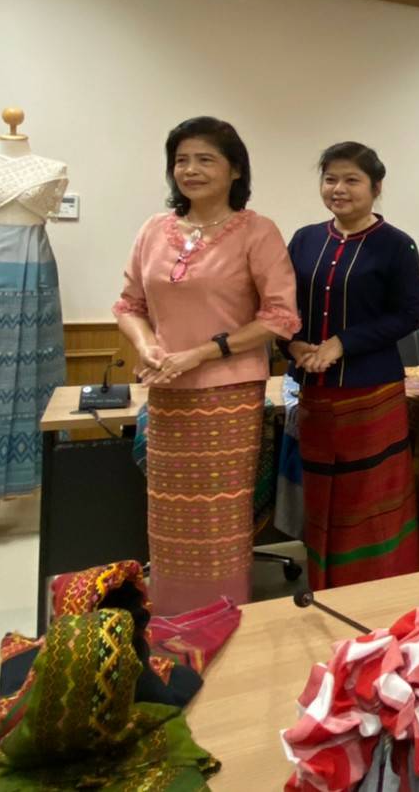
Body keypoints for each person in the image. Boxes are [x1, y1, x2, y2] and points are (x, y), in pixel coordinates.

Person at [114, 116, 300, 614]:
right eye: (181, 160)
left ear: (235, 169)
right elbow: (129, 305)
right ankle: (172, 623)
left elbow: (281, 318)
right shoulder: (154, 229)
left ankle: (221, 620)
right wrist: (148, 345)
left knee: (218, 523)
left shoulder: (256, 232)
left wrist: (200, 352)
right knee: (168, 519)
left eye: (205, 159)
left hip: (227, 395)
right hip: (166, 393)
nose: (190, 170)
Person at [283, 142, 419, 590]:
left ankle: (375, 588)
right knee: (322, 494)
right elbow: (281, 304)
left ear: (375, 187)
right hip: (315, 390)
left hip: (371, 392)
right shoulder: (305, 239)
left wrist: (344, 343)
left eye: (351, 180)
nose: (338, 189)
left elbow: (409, 314)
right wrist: (292, 344)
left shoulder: (397, 245)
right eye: (330, 179)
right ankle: (323, 584)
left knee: (368, 501)